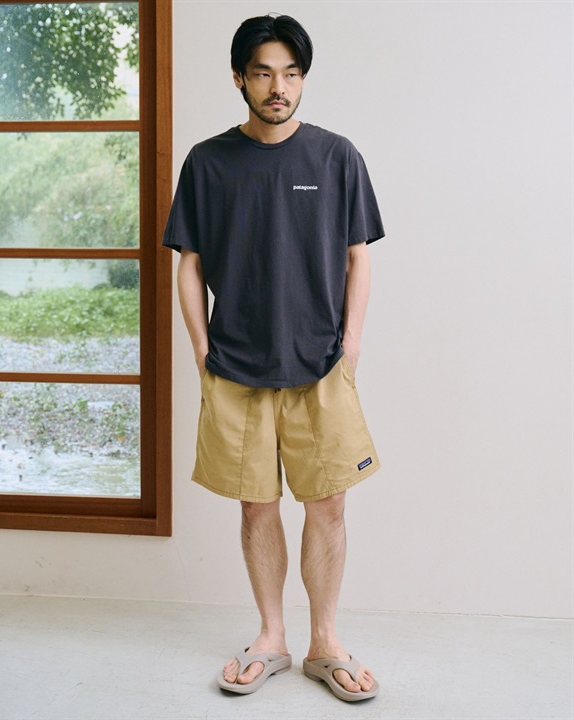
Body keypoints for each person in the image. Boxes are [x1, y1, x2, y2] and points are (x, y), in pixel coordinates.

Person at [163, 13, 385, 703]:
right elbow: (189, 261)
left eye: (290, 73)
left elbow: (357, 256)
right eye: (263, 72)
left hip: (320, 365)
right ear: (240, 78)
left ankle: (325, 642)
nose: (278, 87)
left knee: (330, 507)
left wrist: (351, 344)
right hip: (236, 367)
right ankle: (270, 638)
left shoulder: (336, 156)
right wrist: (202, 349)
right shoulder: (208, 161)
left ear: (303, 79)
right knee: (257, 509)